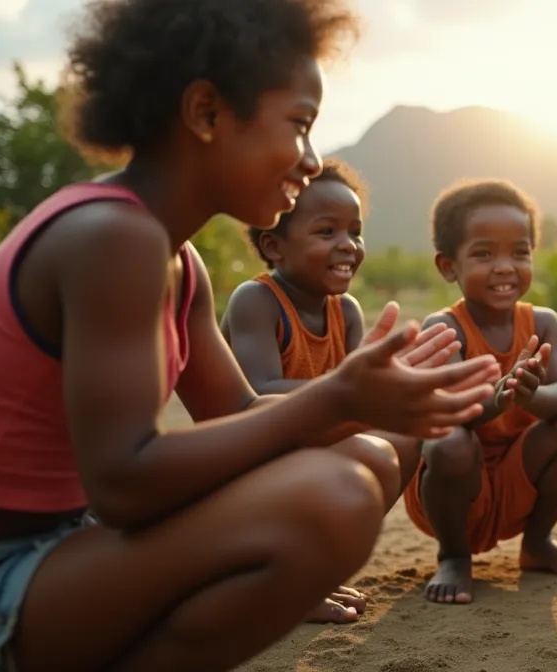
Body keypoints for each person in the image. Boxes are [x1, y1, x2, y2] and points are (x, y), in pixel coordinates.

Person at [0, 1, 502, 670]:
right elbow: (124, 483)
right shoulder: (112, 237)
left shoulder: (176, 260)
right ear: (206, 113)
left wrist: (370, 401)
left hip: (57, 546)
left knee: (367, 460)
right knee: (332, 500)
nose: (310, 159)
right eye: (300, 125)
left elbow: (240, 416)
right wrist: (337, 399)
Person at [221, 159, 440, 624]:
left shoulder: (348, 311)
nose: (348, 246)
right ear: (273, 246)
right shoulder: (256, 302)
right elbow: (257, 391)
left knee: (403, 439)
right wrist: (352, 391)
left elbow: (362, 396)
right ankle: (284, 577)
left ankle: (317, 564)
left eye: (355, 232)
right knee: (371, 448)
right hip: (253, 455)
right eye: (327, 232)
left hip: (313, 440)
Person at [404, 179, 557, 605]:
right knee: (449, 443)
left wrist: (529, 396)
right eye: (483, 253)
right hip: (452, 488)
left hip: (516, 478)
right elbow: (452, 414)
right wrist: (502, 395)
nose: (505, 266)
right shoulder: (445, 327)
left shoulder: (543, 322)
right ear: (448, 266)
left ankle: (538, 543)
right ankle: (454, 556)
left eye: (519, 252)